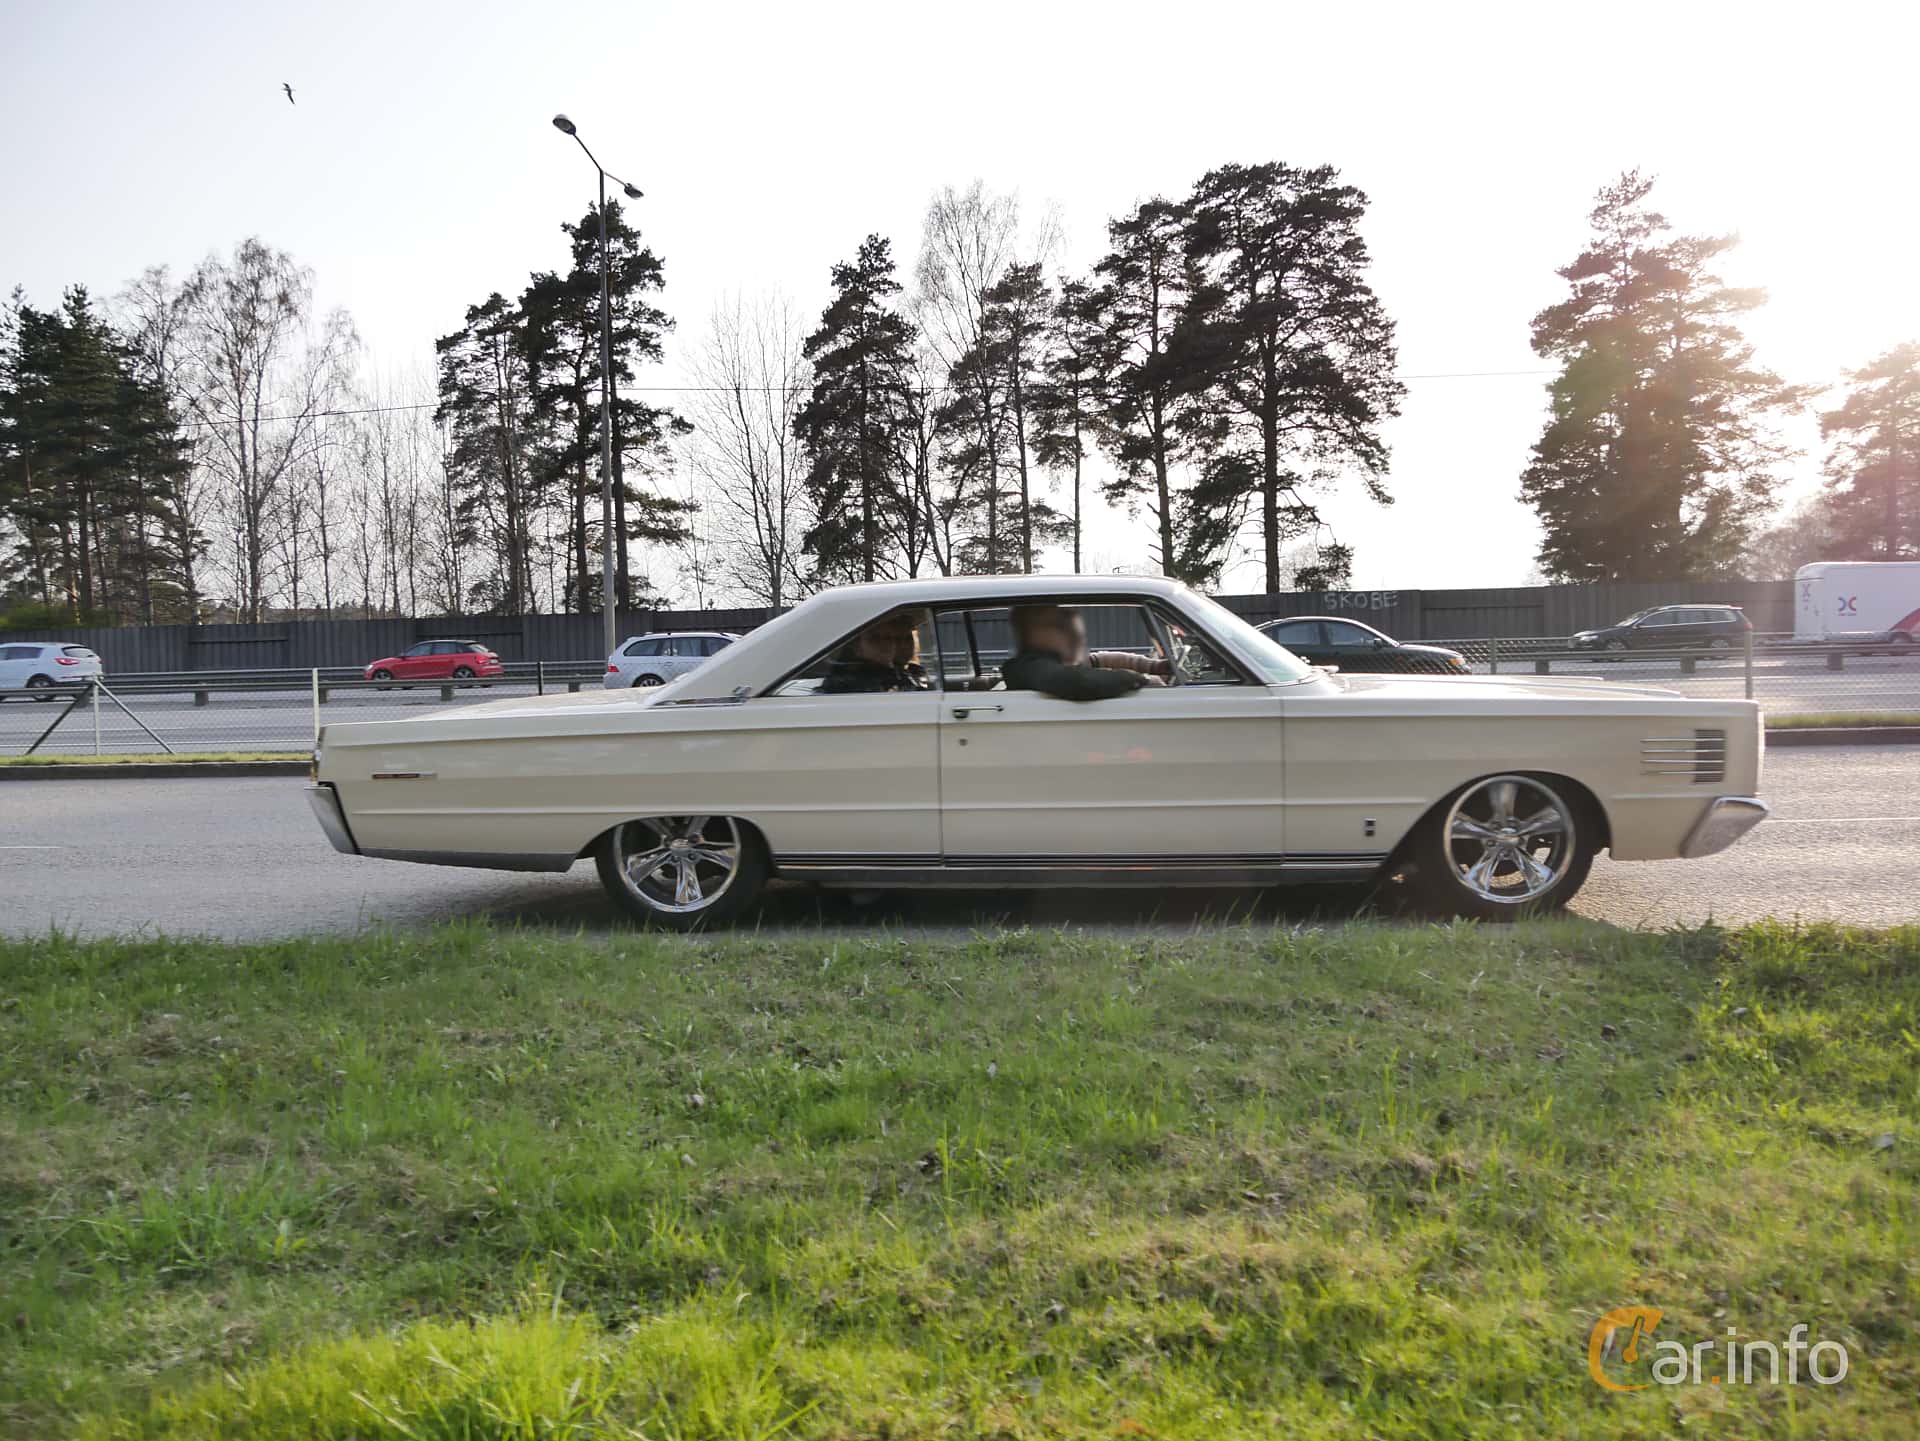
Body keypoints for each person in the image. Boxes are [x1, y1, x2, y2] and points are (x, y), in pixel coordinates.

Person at [1001, 605, 1171, 700]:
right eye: (1070, 635)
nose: (1077, 643)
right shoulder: (1033, 667)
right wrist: (1140, 679)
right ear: (1038, 633)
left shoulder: (1044, 662)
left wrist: (1153, 666)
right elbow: (1081, 681)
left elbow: (1098, 660)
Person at [820, 611, 934, 693]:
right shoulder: (850, 679)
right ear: (857, 647)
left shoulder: (910, 672)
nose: (887, 644)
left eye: (908, 638)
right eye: (876, 639)